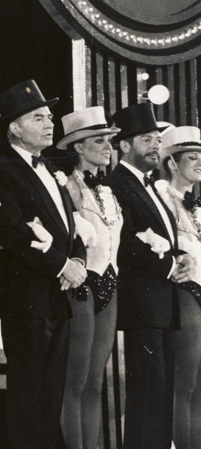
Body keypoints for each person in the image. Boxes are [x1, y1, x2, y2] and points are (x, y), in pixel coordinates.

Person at [0, 80, 88, 449]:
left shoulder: (49, 169)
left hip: (57, 295)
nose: (50, 124)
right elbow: (12, 231)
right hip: (27, 297)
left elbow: (71, 227)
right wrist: (63, 266)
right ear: (14, 126)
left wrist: (76, 259)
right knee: (28, 394)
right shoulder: (0, 168)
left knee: (51, 394)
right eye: (39, 118)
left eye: (50, 117)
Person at [104, 103, 194, 449]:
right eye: (146, 140)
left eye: (157, 140)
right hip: (142, 302)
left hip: (162, 302)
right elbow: (124, 241)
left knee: (160, 391)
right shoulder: (117, 184)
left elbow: (165, 238)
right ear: (124, 145)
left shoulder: (150, 186)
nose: (155, 146)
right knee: (146, 391)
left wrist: (180, 256)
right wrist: (169, 266)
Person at [53, 106, 122, 449]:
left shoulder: (108, 189)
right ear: (78, 147)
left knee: (96, 382)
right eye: (99, 140)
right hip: (81, 284)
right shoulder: (65, 186)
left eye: (110, 140)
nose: (108, 146)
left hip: (110, 283)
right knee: (76, 382)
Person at [156, 126, 201, 449]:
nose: (200, 163)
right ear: (172, 163)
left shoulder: (195, 205)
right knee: (182, 388)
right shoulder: (161, 197)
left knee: (198, 389)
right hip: (182, 297)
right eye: (192, 157)